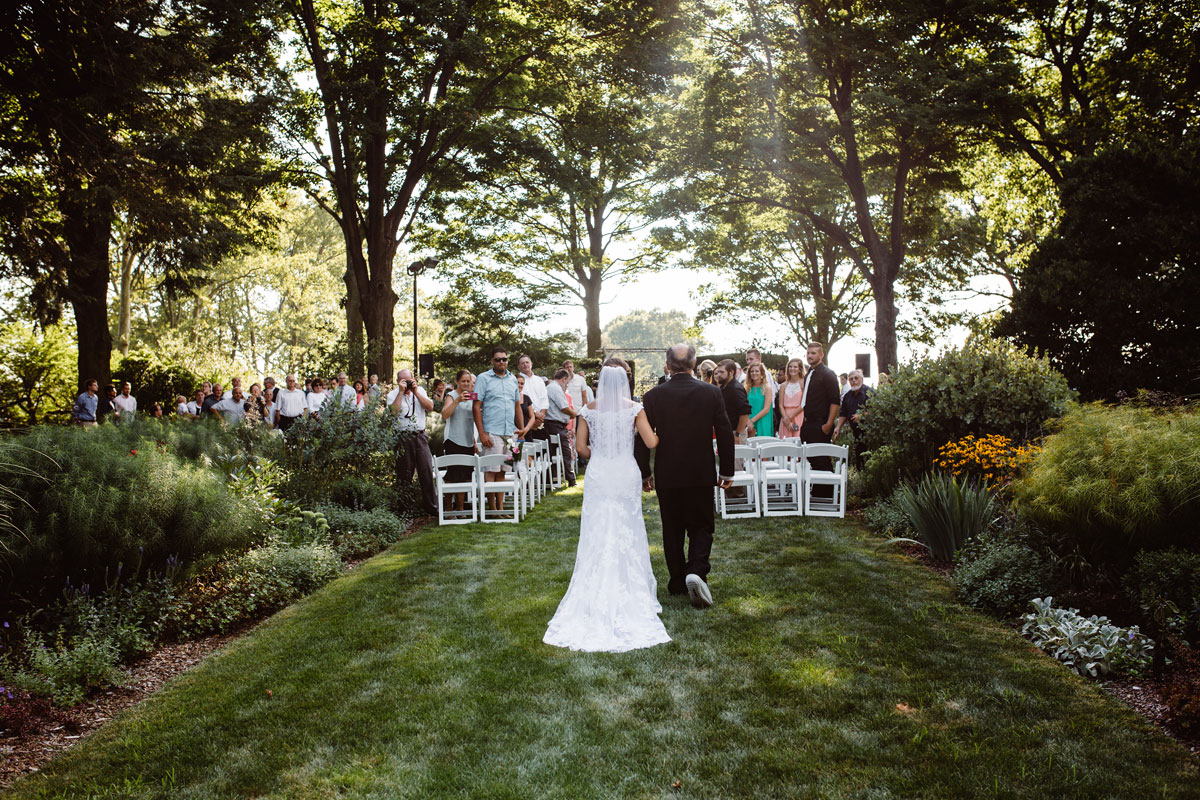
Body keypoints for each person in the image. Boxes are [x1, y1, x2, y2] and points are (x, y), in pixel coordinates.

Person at [544, 365, 671, 652]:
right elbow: (650, 442)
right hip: (625, 471)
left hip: (600, 472)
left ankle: (593, 588)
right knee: (628, 526)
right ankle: (632, 587)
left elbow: (581, 447)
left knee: (597, 528)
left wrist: (602, 453)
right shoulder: (634, 409)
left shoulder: (588, 409)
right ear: (625, 383)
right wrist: (657, 435)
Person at [634, 345, 735, 609]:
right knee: (702, 525)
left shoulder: (654, 395)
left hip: (668, 472)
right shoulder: (711, 392)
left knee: (673, 528)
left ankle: (678, 580)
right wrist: (727, 469)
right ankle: (696, 571)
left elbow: (642, 439)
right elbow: (724, 432)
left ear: (667, 365)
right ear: (695, 363)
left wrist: (644, 472)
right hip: (701, 471)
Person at [473, 346, 524, 510]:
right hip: (492, 432)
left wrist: (521, 429)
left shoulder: (513, 379)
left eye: (504, 359)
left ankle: (501, 509)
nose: (502, 362)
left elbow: (517, 406)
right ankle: (492, 508)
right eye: (498, 359)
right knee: (491, 470)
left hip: (509, 433)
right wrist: (481, 433)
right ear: (491, 361)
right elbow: (476, 406)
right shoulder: (483, 378)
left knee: (503, 470)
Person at [389, 368, 438, 516]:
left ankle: (431, 508)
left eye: (409, 380)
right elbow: (393, 412)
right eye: (404, 380)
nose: (407, 383)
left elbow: (430, 407)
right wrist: (400, 392)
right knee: (404, 474)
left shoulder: (420, 391)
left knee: (426, 471)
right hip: (403, 437)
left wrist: (415, 392)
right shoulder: (392, 394)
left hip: (420, 436)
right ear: (398, 381)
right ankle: (404, 509)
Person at [800, 342, 842, 497]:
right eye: (808, 353)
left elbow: (835, 401)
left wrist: (828, 424)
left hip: (821, 423)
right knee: (812, 458)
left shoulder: (828, 374)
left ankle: (826, 494)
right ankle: (818, 491)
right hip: (808, 422)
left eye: (813, 353)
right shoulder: (809, 374)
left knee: (822, 459)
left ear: (821, 355)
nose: (810, 356)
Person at [440, 370, 478, 514]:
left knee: (464, 476)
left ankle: (461, 509)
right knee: (453, 475)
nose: (466, 384)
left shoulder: (473, 397)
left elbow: (470, 421)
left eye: (468, 381)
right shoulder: (452, 396)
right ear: (457, 381)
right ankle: (449, 508)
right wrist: (457, 401)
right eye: (463, 381)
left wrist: (474, 441)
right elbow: (444, 415)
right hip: (453, 440)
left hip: (468, 441)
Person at [544, 368, 577, 487]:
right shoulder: (555, 388)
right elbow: (564, 407)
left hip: (554, 424)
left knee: (553, 452)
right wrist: (573, 414)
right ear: (563, 379)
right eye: (567, 382)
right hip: (555, 425)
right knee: (566, 452)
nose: (566, 384)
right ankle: (571, 480)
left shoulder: (551, 387)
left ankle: (552, 480)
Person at [833, 369, 872, 468]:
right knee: (859, 458)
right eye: (851, 379)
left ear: (861, 379)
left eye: (856, 378)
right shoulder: (847, 396)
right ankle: (860, 475)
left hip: (870, 433)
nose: (853, 381)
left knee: (869, 458)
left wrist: (862, 415)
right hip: (856, 433)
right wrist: (838, 428)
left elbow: (875, 410)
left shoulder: (869, 392)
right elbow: (843, 413)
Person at [715, 359, 750, 442]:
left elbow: (745, 413)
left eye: (722, 372)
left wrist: (738, 434)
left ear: (731, 372)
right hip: (726, 431)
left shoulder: (736, 389)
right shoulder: (723, 387)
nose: (719, 375)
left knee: (738, 455)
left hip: (736, 433)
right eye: (718, 372)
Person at [516, 354, 548, 441]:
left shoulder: (539, 380)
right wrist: (534, 416)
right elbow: (521, 401)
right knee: (527, 450)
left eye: (527, 362)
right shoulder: (517, 381)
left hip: (540, 421)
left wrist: (541, 417)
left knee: (543, 449)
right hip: (524, 420)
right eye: (522, 363)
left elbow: (544, 399)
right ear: (518, 366)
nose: (525, 365)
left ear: (531, 364)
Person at [744, 362, 775, 438]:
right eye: (752, 371)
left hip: (763, 420)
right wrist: (748, 420)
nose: (754, 373)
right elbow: (744, 406)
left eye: (757, 371)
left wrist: (752, 421)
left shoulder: (767, 388)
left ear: (762, 373)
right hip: (749, 420)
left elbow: (766, 409)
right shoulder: (747, 388)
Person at [778, 358, 806, 439]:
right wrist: (786, 419)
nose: (792, 369)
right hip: (785, 416)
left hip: (798, 415)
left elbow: (803, 404)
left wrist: (790, 417)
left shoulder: (803, 383)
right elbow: (780, 405)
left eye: (795, 367)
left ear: (799, 369)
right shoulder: (783, 385)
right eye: (790, 366)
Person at [515, 373, 535, 439]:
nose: (519, 385)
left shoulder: (526, 398)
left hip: (526, 432)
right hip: (513, 432)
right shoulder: (508, 398)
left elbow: (532, 416)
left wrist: (526, 429)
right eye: (517, 383)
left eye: (522, 383)